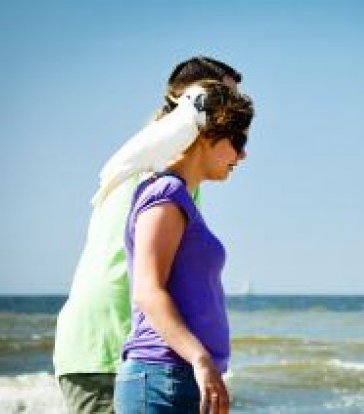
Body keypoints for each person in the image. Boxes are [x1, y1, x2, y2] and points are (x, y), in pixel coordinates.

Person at [53, 56, 243, 414]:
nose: (233, 115)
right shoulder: (166, 171)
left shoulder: (175, 169)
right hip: (110, 345)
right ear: (192, 100)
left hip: (128, 346)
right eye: (224, 102)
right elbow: (149, 287)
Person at [113, 79, 254, 414]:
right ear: (207, 135)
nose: (243, 154)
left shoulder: (180, 198)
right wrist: (200, 359)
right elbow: (148, 291)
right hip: (162, 379)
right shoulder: (165, 194)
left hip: (178, 379)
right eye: (238, 140)